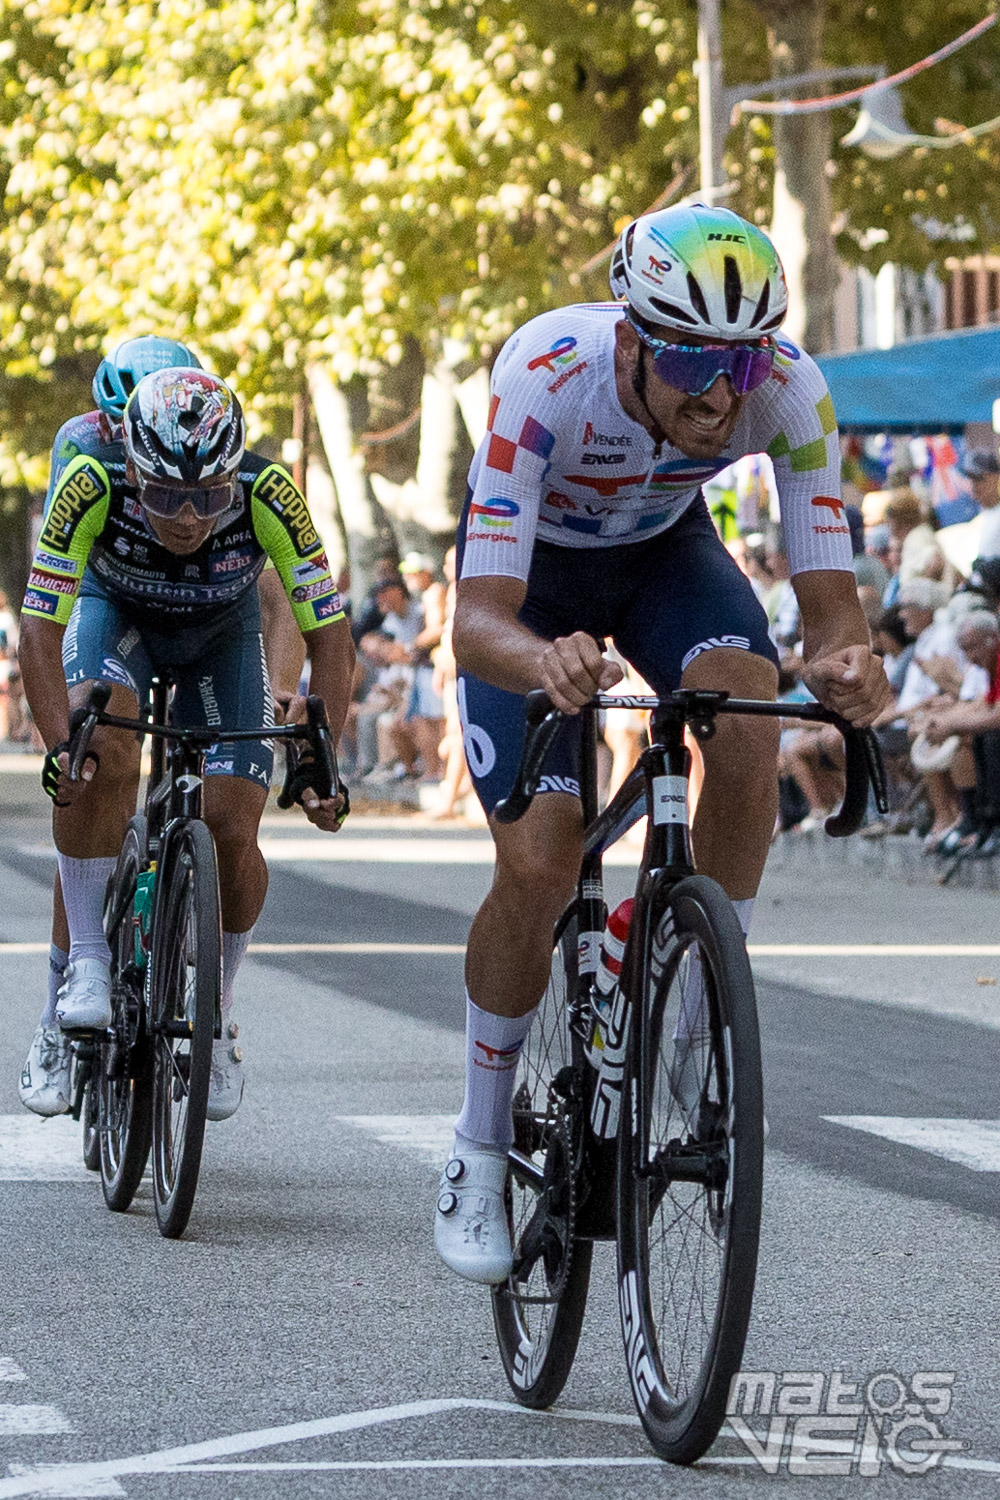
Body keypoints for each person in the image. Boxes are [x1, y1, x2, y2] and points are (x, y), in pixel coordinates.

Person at [433, 202, 890, 1284]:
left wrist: (846, 664)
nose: (721, 391)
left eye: (741, 358)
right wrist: (539, 659)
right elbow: (473, 621)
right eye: (691, 358)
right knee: (541, 863)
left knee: (747, 695)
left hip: (662, 558)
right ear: (630, 338)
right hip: (531, 585)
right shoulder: (544, 374)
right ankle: (477, 1143)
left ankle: (687, 984)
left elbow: (833, 616)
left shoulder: (789, 391)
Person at [17, 368, 354, 1123]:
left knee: (236, 826)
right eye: (167, 496)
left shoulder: (270, 492)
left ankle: (218, 1014)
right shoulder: (89, 480)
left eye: (209, 497)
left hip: (218, 636)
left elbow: (331, 636)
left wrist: (316, 755)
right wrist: (57, 741)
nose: (190, 517)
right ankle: (84, 973)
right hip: (117, 618)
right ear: (133, 469)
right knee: (102, 752)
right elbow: (39, 629)